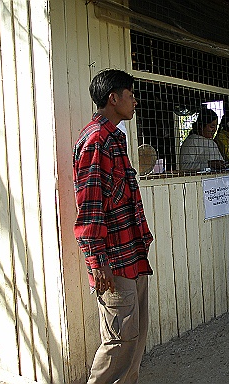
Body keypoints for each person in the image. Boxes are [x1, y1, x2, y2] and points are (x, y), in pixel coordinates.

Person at [73, 69, 153, 383]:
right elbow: (90, 208)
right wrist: (97, 262)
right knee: (119, 341)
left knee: (135, 335)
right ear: (113, 98)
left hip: (132, 253)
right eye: (130, 94)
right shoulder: (95, 142)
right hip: (114, 262)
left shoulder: (115, 138)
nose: (135, 100)